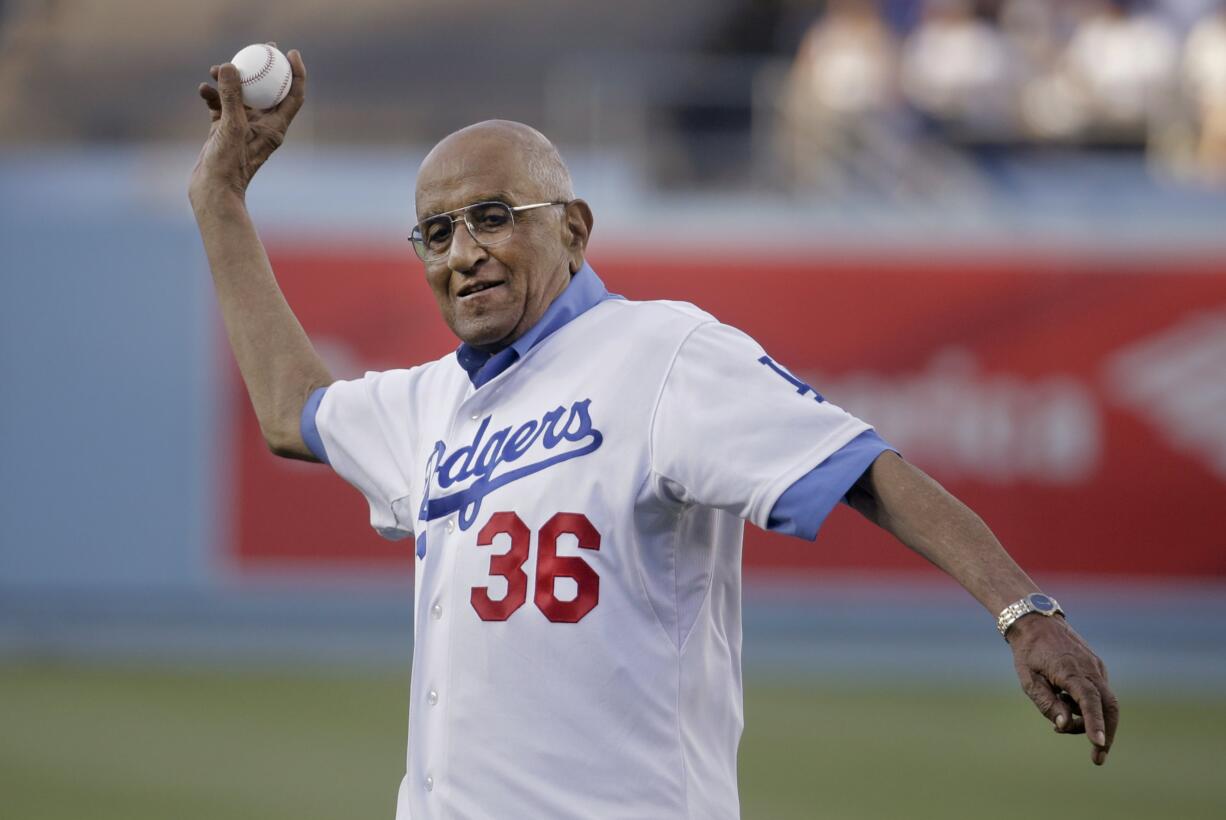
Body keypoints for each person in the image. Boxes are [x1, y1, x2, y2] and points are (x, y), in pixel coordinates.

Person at [190, 50, 1119, 820]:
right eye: (435, 233)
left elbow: (863, 467)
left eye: (492, 218)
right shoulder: (434, 402)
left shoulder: (663, 351)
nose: (463, 251)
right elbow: (290, 410)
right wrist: (220, 200)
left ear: (576, 230)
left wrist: (1023, 613)